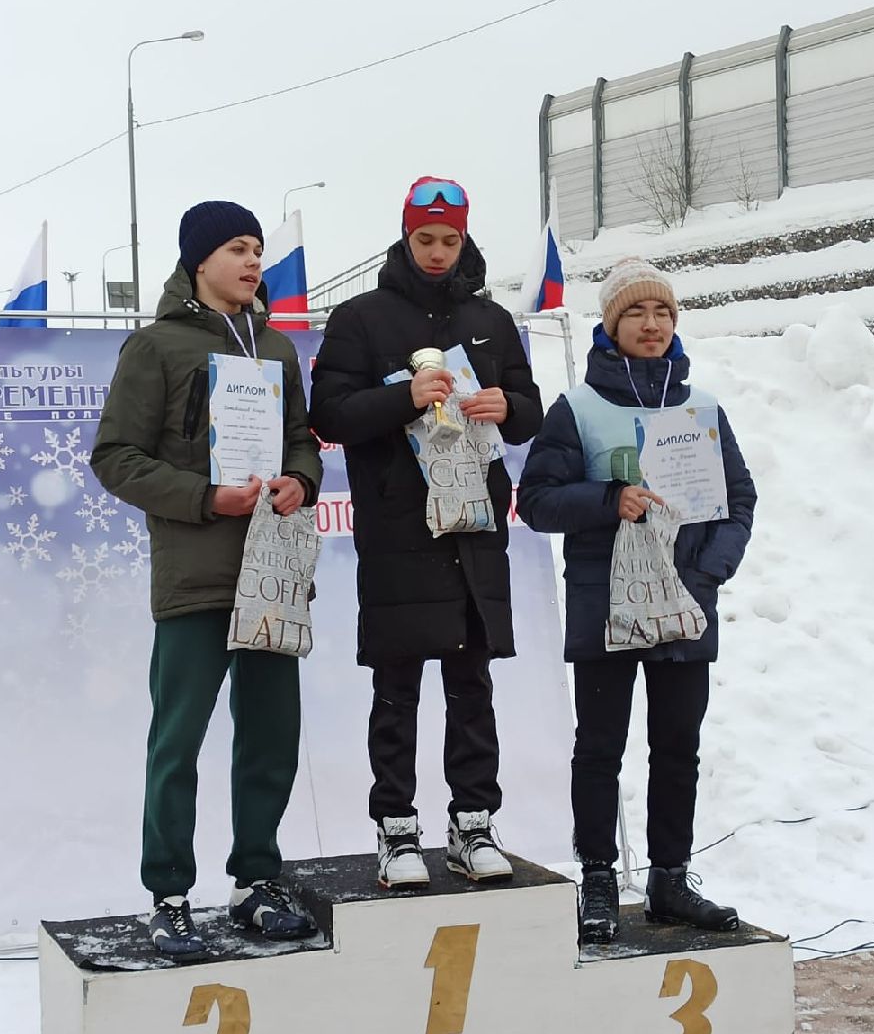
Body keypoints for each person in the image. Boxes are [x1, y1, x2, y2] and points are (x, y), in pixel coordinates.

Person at [91, 200, 324, 959]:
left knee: (270, 739)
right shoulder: (155, 346)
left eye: (257, 248)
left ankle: (256, 881)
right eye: (236, 248)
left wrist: (300, 479)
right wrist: (204, 498)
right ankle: (169, 896)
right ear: (199, 261)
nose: (253, 261)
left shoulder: (276, 348)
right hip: (195, 579)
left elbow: (302, 440)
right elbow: (116, 457)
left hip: (272, 574)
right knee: (178, 743)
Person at [309, 177, 543, 889]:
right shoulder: (360, 318)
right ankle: (396, 830)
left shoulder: (491, 319)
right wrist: (402, 396)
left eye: (449, 240)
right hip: (398, 530)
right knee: (397, 685)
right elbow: (330, 415)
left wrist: (508, 406)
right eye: (425, 239)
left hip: (473, 526)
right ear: (405, 237)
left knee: (472, 684)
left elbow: (529, 412)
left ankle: (473, 823)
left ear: (464, 239)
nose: (438, 252)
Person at [516, 257, 756, 943]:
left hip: (684, 603)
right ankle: (597, 879)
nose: (651, 325)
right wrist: (607, 499)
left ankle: (670, 880)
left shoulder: (702, 408)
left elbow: (738, 499)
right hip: (606, 606)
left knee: (678, 747)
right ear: (610, 324)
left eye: (662, 313)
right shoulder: (578, 409)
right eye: (636, 313)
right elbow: (535, 500)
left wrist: (706, 573)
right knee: (599, 748)